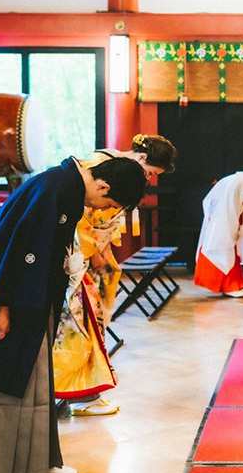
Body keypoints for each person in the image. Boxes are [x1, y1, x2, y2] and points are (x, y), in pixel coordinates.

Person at [0, 156, 147, 473]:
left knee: (35, 388)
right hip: (6, 304)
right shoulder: (52, 189)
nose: (98, 209)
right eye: (106, 202)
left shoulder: (62, 188)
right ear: (102, 185)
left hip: (31, 303)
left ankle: (31, 470)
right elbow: (6, 247)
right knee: (0, 393)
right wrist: (1, 305)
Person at [52, 134, 176, 418]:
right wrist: (93, 252)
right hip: (78, 257)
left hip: (96, 255)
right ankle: (79, 394)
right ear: (142, 158)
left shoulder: (118, 167)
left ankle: (83, 391)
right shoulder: (101, 165)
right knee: (79, 326)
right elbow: (80, 216)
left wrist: (104, 251)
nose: (151, 178)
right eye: (152, 172)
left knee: (92, 323)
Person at [193, 169, 243, 298]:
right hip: (222, 220)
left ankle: (233, 285)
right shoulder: (234, 184)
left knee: (231, 254)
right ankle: (229, 286)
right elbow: (226, 210)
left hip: (232, 220)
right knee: (222, 250)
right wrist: (232, 229)